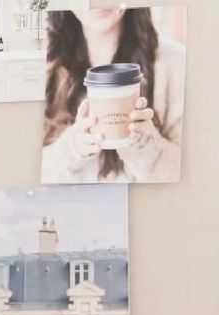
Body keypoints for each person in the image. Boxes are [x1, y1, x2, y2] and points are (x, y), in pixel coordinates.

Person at [41, 6, 186, 183]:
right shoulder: (42, 66)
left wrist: (146, 144)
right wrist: (72, 149)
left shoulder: (175, 63)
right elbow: (32, 180)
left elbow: (192, 177)